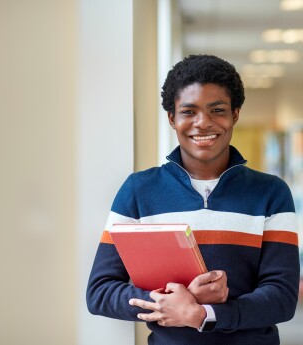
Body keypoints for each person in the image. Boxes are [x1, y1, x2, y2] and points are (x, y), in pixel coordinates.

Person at [86, 54, 300, 345]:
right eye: (189, 112)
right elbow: (100, 292)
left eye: (217, 110)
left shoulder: (271, 193)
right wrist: (172, 302)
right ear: (172, 118)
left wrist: (203, 314)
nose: (203, 123)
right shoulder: (138, 190)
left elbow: (282, 298)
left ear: (235, 113)